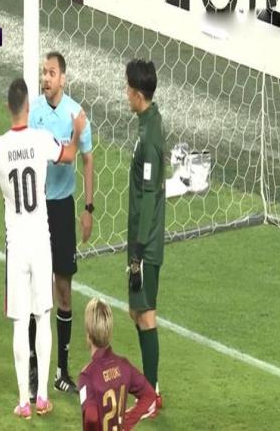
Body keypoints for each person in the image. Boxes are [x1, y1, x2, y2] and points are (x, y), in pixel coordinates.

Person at [0, 51, 94, 395]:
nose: (45, 78)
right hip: (38, 215)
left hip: (61, 209)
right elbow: (19, 148)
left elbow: (85, 159)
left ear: (63, 77)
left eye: (51, 73)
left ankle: (60, 371)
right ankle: (35, 373)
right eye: (43, 72)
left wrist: (88, 208)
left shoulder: (74, 113)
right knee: (39, 296)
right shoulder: (35, 112)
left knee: (61, 290)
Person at [125, 59, 165, 412]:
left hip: (146, 244)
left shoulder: (149, 137)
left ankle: (150, 395)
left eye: (128, 88)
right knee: (136, 311)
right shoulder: (147, 123)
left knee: (146, 313)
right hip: (140, 240)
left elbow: (150, 195)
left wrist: (138, 251)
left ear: (138, 94)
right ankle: (153, 388)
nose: (126, 94)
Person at [78, 298, 157, 431]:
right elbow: (149, 394)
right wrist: (126, 424)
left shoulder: (87, 375)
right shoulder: (124, 366)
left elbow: (91, 418)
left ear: (88, 333)